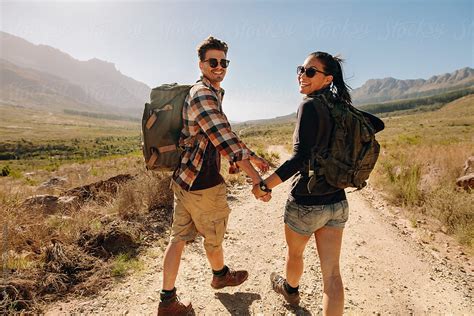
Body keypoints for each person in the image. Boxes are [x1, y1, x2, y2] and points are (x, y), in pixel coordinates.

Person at [158, 36, 270, 316]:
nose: (219, 66)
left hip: (184, 179)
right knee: (214, 235)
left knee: (179, 238)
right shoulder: (203, 94)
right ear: (201, 64)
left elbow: (222, 133)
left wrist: (252, 155)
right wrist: (256, 180)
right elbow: (225, 142)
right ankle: (220, 275)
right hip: (203, 184)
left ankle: (167, 301)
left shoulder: (209, 93)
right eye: (213, 62)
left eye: (223, 62)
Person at [252, 51, 352, 315]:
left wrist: (265, 185)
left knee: (295, 254)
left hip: (306, 202)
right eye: (301, 69)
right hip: (337, 201)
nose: (302, 75)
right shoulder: (342, 108)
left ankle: (290, 290)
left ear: (327, 78)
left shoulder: (309, 106)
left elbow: (299, 158)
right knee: (332, 275)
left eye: (310, 72)